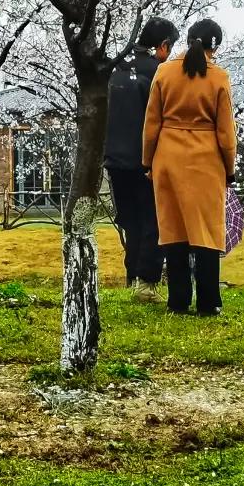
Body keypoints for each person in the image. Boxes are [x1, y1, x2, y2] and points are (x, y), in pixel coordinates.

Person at [144, 19, 237, 317]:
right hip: (206, 158)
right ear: (216, 47)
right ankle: (209, 303)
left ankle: (178, 301)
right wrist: (229, 166)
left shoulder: (164, 71)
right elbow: (226, 132)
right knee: (206, 231)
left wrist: (148, 161)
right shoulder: (219, 77)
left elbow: (151, 124)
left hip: (167, 156)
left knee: (174, 230)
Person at [105, 17, 177, 292]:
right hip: (147, 160)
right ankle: (147, 282)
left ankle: (131, 276)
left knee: (130, 221)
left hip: (114, 158)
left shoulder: (116, 66)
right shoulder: (160, 71)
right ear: (163, 45)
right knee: (153, 220)